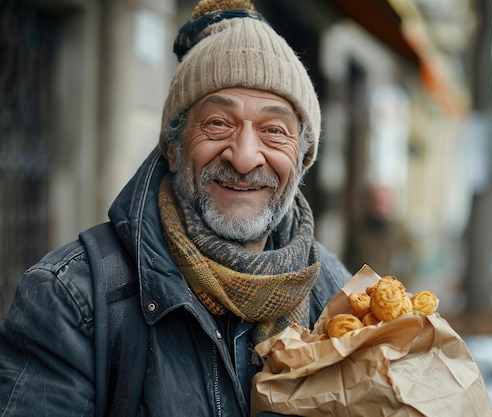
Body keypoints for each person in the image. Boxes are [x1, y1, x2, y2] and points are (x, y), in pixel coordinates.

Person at [0, 0, 351, 416]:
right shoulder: (72, 300)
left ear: (302, 160)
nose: (243, 157)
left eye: (274, 131)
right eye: (218, 123)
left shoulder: (334, 292)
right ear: (172, 147)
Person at [346, 184, 416, 285]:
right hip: (361, 288)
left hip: (389, 289)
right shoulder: (359, 229)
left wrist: (398, 286)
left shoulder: (400, 232)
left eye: (385, 203)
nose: (380, 207)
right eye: (377, 203)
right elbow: (350, 259)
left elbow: (409, 264)